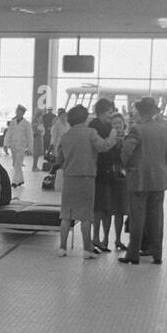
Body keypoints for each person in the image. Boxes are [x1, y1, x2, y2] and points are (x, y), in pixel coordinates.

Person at [55, 105, 116, 257]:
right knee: (85, 215)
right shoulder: (90, 133)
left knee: (66, 214)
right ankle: (86, 250)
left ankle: (62, 247)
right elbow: (103, 146)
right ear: (84, 117)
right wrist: (113, 135)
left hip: (69, 177)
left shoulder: (65, 136)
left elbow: (59, 158)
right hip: (87, 177)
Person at [120, 97, 167, 265]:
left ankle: (133, 254)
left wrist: (124, 167)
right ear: (154, 112)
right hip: (158, 179)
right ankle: (157, 254)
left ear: (141, 112)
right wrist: (164, 173)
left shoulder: (137, 129)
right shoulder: (166, 130)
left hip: (139, 179)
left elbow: (126, 151)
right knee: (156, 217)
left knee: (137, 217)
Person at [91, 101, 129, 253]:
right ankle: (102, 238)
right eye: (114, 122)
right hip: (104, 174)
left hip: (117, 176)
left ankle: (115, 239)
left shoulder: (125, 138)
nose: (117, 125)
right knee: (104, 208)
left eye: (119, 123)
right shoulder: (103, 132)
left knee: (117, 210)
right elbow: (103, 150)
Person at [3, 105, 31, 185]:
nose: (17, 112)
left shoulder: (26, 124)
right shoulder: (12, 122)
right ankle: (21, 180)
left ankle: (15, 181)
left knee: (18, 163)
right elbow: (8, 133)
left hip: (21, 146)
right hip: (13, 146)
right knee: (15, 164)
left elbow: (30, 136)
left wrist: (29, 148)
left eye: (19, 111)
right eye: (17, 111)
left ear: (23, 113)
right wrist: (6, 144)